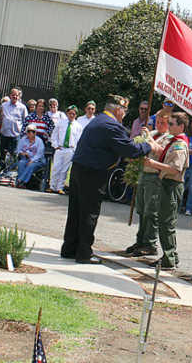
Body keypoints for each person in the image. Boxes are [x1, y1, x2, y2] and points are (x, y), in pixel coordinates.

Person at [61, 95, 156, 264]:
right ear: (118, 109)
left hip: (80, 169)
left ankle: (70, 248)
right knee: (89, 213)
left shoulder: (100, 120)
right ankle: (83, 253)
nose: (125, 114)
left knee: (76, 211)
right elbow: (130, 150)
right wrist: (148, 145)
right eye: (124, 111)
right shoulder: (112, 125)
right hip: (93, 173)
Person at [138, 112, 189, 270]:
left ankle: (169, 258)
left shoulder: (180, 144)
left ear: (181, 126)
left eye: (172, 124)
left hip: (172, 185)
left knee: (167, 223)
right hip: (166, 183)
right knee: (164, 221)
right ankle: (170, 255)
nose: (170, 126)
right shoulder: (174, 141)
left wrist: (154, 164)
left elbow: (175, 169)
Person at [123, 111, 172, 257]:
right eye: (157, 122)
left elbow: (162, 153)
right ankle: (141, 240)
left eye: (163, 123)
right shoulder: (154, 133)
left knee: (151, 211)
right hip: (144, 173)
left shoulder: (169, 138)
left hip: (155, 176)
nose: (159, 125)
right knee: (141, 209)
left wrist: (149, 138)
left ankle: (150, 243)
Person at [49, 105, 83, 194]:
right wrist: (55, 145)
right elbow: (54, 135)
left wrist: (74, 150)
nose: (72, 115)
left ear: (76, 115)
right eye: (70, 113)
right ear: (67, 113)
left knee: (64, 169)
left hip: (70, 150)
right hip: (60, 148)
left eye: (74, 114)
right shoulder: (61, 123)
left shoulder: (78, 126)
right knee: (56, 167)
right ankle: (52, 186)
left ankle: (60, 187)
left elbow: (79, 140)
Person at [0, 88, 28, 167]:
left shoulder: (22, 107)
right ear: (10, 95)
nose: (15, 97)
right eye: (13, 95)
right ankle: (2, 170)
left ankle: (11, 171)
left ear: (19, 97)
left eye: (16, 95)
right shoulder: (4, 105)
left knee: (14, 154)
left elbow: (25, 121)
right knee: (3, 154)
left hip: (16, 135)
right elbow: (0, 118)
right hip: (4, 134)